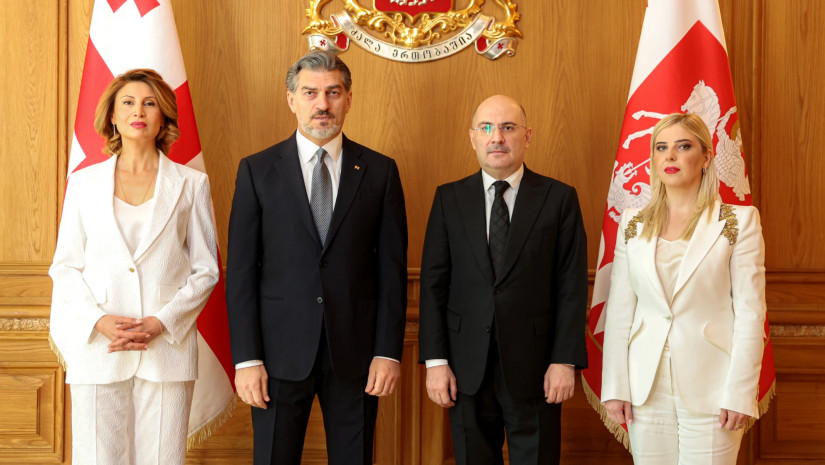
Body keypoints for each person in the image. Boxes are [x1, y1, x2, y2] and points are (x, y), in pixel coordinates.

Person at [226, 50, 407, 465]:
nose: (322, 104)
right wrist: (247, 358)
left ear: (348, 99)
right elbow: (241, 273)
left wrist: (387, 352)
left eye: (333, 92)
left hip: (357, 357)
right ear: (292, 100)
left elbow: (392, 272)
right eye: (310, 93)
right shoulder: (257, 170)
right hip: (276, 357)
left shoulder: (380, 171)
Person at [49, 68, 220, 465]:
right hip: (99, 347)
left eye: (149, 103)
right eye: (127, 102)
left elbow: (206, 270)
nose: (138, 111)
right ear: (112, 114)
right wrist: (98, 320)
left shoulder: (192, 183)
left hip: (166, 348)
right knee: (97, 458)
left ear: (163, 116)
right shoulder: (84, 184)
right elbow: (65, 267)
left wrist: (162, 322)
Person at [418, 95, 588, 465]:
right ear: (473, 137)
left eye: (508, 127)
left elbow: (571, 287)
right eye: (487, 128)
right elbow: (432, 286)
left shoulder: (559, 199)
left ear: (527, 136)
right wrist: (435, 362)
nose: (497, 137)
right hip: (464, 369)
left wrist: (564, 360)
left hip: (537, 368)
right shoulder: (448, 199)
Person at [601, 113, 766, 463]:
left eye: (683, 146)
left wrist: (740, 392)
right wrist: (615, 386)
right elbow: (619, 311)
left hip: (714, 385)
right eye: (661, 148)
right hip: (645, 386)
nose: (670, 156)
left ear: (706, 157)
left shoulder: (739, 221)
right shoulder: (633, 223)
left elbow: (751, 314)